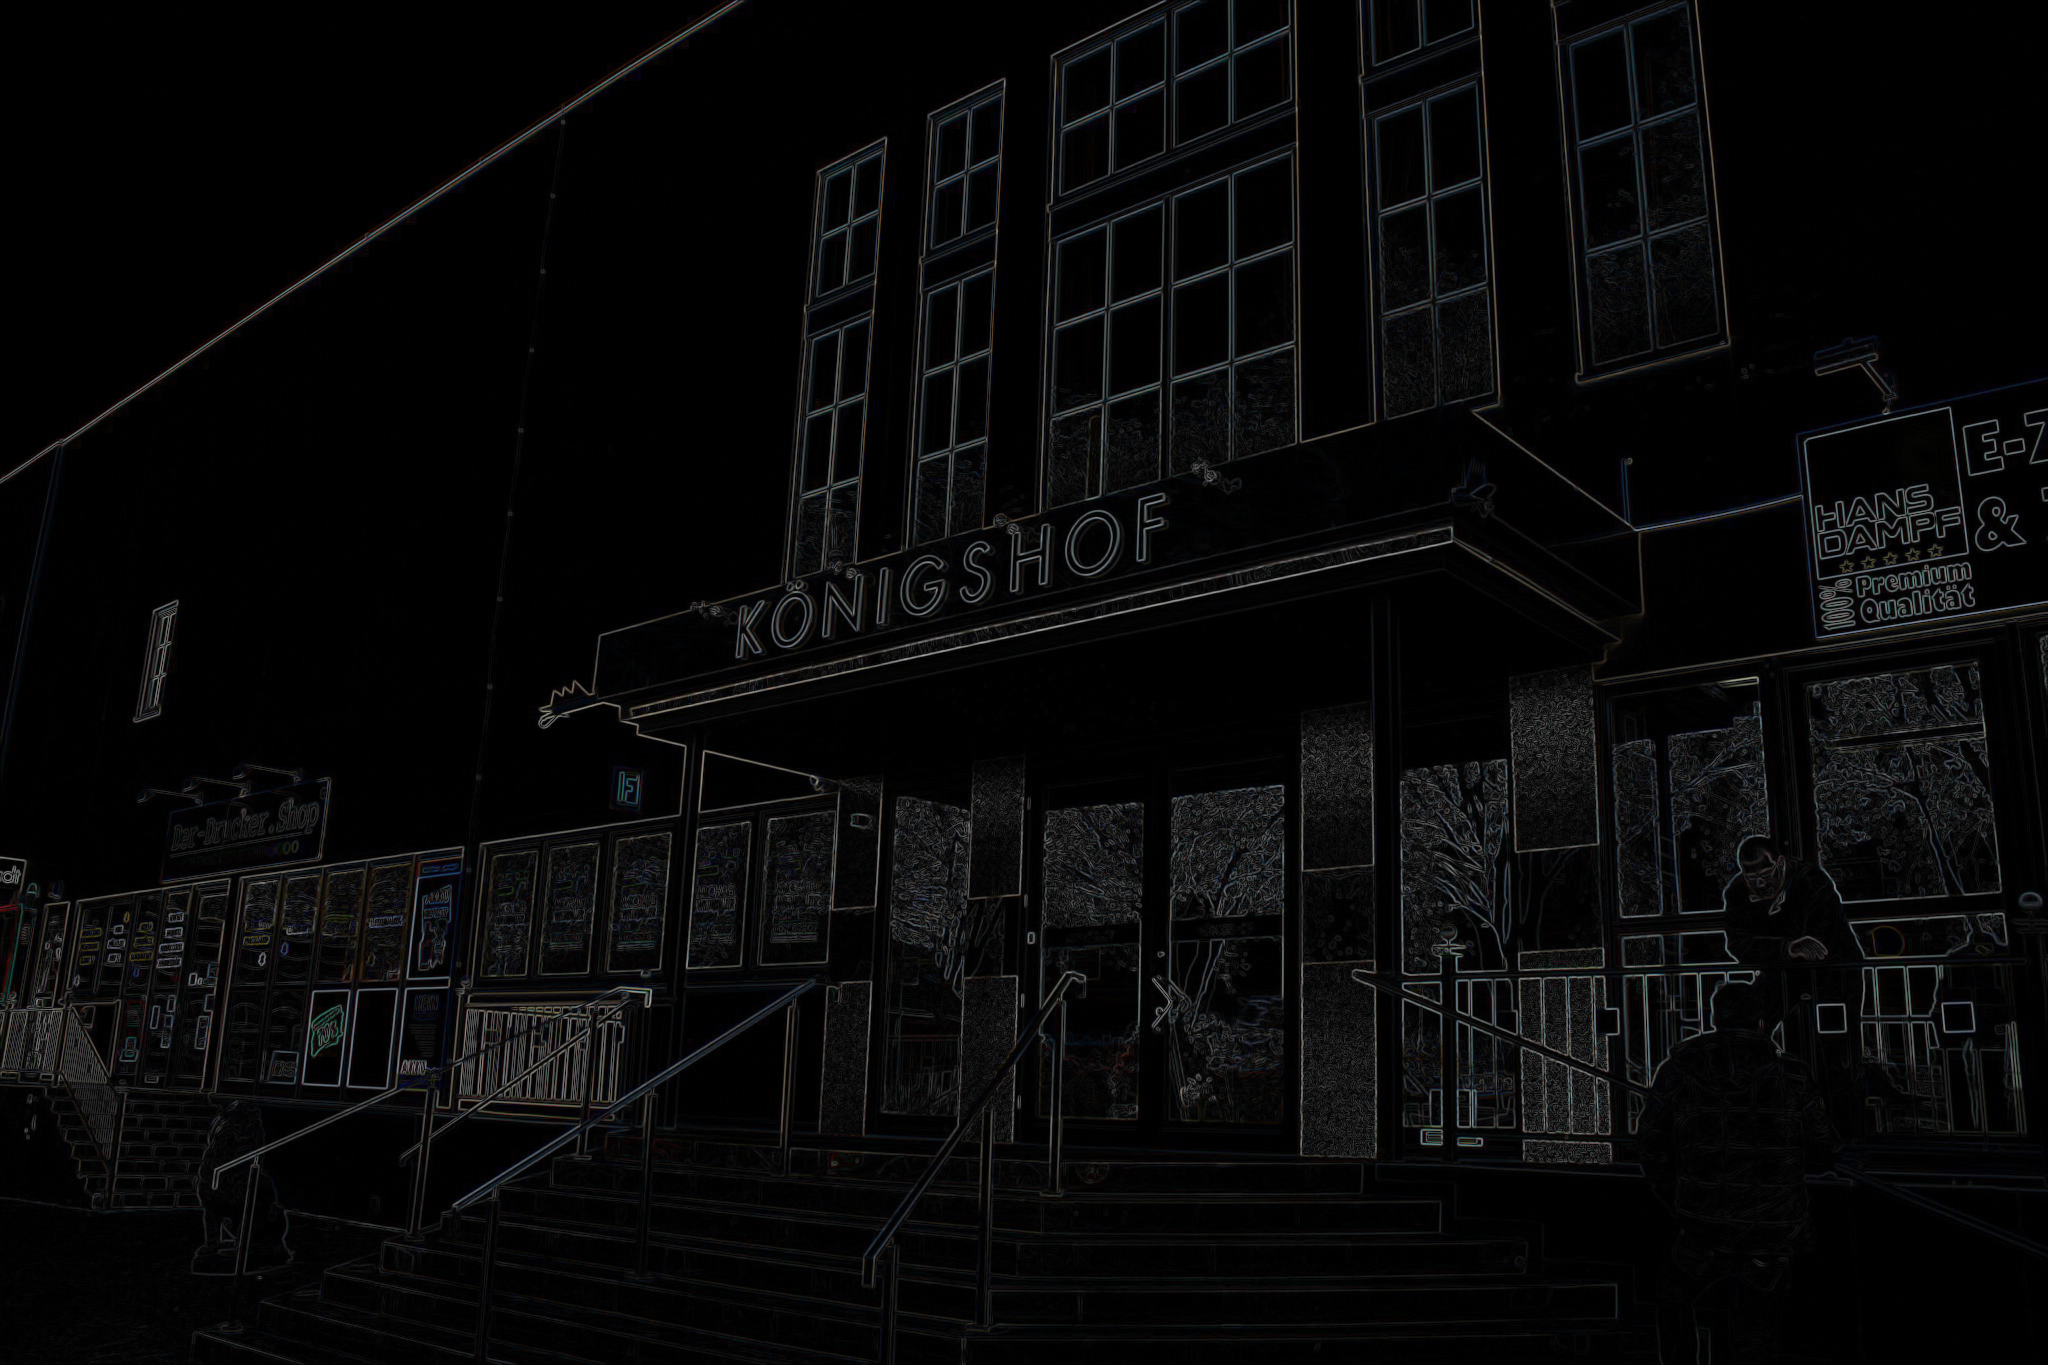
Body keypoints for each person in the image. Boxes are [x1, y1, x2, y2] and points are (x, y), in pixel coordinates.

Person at [1637, 979, 1843, 1364]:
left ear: (1714, 1019)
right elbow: (1824, 1150)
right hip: (1773, 1228)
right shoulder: (1793, 1074)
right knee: (1757, 1330)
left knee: (1674, 1295)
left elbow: (1651, 1148)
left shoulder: (1676, 1071)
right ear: (1762, 1023)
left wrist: (1681, 1201)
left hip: (1703, 1227)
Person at [193, 1099, 292, 1274]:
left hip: (245, 1185)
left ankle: (259, 1245)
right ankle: (213, 1244)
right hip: (222, 1172)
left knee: (263, 1208)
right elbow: (210, 1209)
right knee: (213, 1207)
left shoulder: (250, 1132)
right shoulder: (221, 1137)